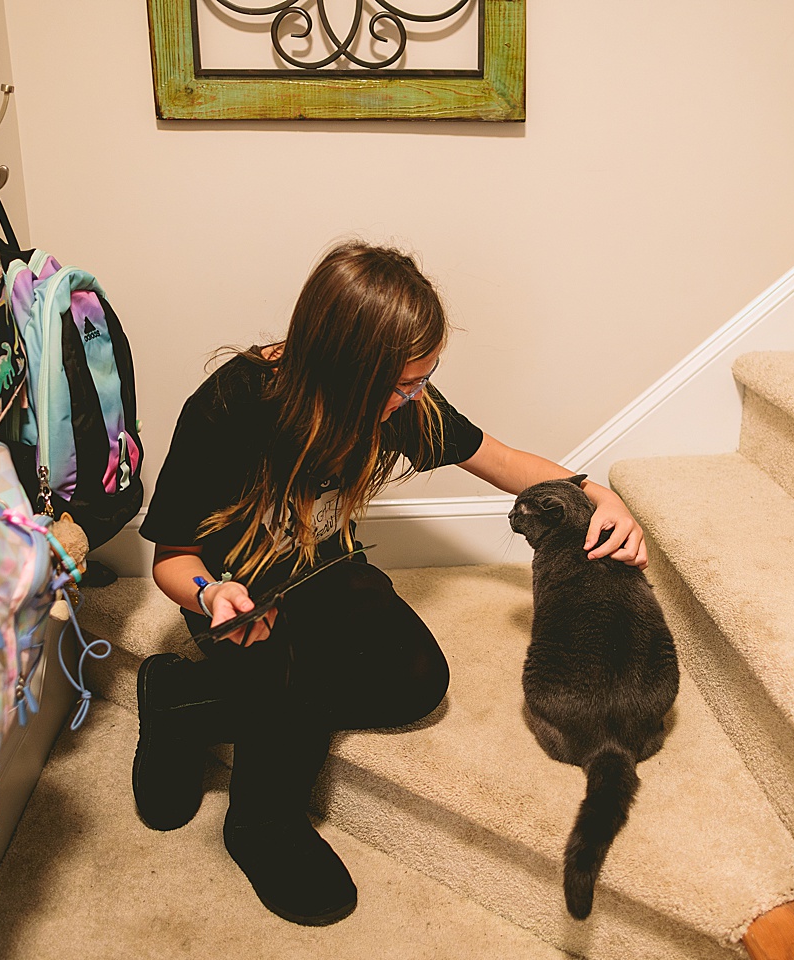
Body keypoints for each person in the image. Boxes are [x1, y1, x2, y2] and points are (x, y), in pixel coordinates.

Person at [133, 241, 648, 927]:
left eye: (424, 378)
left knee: (417, 683)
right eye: (404, 384)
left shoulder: (400, 400)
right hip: (237, 595)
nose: (416, 397)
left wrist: (594, 490)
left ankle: (180, 700)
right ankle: (259, 821)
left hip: (328, 570)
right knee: (286, 672)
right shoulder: (228, 407)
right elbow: (172, 557)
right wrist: (210, 596)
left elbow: (498, 458)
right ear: (343, 369)